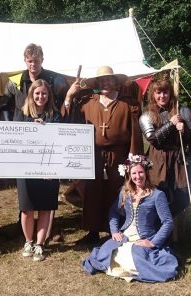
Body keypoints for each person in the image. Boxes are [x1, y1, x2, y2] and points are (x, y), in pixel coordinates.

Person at [62, 65, 143, 245]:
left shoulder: (127, 104)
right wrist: (69, 96)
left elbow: (135, 133)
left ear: (115, 82)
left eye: (109, 79)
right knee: (92, 193)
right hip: (94, 156)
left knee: (118, 192)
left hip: (119, 156)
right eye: (102, 80)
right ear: (97, 83)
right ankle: (92, 232)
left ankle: (116, 230)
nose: (106, 83)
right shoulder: (87, 102)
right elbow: (69, 121)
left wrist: (133, 158)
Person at [81, 155, 178, 283]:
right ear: (129, 174)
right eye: (134, 173)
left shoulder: (157, 195)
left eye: (141, 172)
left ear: (146, 172)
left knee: (135, 256)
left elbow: (168, 222)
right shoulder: (125, 192)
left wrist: (153, 242)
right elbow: (114, 212)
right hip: (124, 236)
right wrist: (115, 231)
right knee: (106, 252)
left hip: (144, 238)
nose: (138, 176)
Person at [14, 80, 62, 261]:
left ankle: (40, 244)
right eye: (37, 94)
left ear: (48, 96)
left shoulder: (55, 115)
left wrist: (46, 130)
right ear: (31, 95)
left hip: (49, 168)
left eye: (44, 94)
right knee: (27, 208)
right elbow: (14, 136)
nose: (41, 97)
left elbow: (60, 139)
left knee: (45, 207)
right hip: (25, 167)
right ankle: (28, 241)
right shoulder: (22, 113)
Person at [139, 78, 191, 217]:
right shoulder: (147, 115)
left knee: (183, 195)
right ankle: (161, 228)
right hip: (157, 158)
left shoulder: (182, 111)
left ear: (170, 93)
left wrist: (184, 130)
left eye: (165, 92)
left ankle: (168, 221)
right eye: (158, 93)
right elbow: (153, 140)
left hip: (178, 157)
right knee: (159, 193)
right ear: (153, 95)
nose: (162, 96)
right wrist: (170, 124)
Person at [1, 43, 69, 121]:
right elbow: (4, 106)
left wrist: (70, 94)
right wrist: (8, 126)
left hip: (47, 126)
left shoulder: (55, 80)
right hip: (21, 128)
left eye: (36, 61)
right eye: (30, 61)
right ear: (25, 61)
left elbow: (66, 104)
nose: (33, 64)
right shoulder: (15, 81)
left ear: (42, 60)